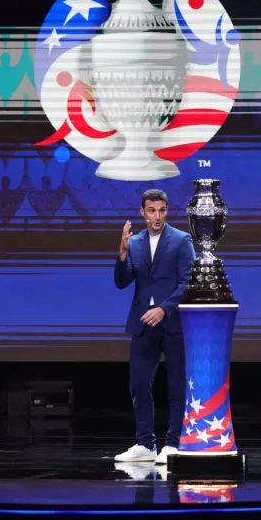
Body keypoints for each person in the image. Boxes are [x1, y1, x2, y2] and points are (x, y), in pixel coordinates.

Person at [113, 189, 196, 464]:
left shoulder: (181, 240)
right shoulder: (134, 242)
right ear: (142, 212)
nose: (157, 216)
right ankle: (145, 444)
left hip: (171, 321)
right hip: (142, 323)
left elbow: (189, 282)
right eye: (151, 211)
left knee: (176, 386)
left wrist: (163, 308)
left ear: (167, 210)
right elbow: (122, 282)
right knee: (138, 384)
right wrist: (122, 255)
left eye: (161, 210)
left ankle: (173, 443)